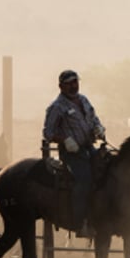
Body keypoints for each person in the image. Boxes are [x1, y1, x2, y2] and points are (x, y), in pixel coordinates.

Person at [43, 69, 105, 238]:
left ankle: (103, 216)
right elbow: (48, 133)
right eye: (69, 83)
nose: (73, 86)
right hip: (71, 153)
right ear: (61, 86)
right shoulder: (56, 107)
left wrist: (98, 128)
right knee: (84, 180)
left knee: (106, 172)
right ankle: (80, 222)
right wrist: (64, 140)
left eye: (75, 82)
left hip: (88, 147)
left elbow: (93, 118)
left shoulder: (84, 100)